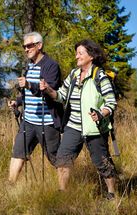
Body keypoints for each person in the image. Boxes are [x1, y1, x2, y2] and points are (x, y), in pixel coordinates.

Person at [40, 39, 117, 200]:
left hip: (94, 128)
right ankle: (63, 195)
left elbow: (111, 102)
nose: (77, 56)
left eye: (80, 53)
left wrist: (101, 113)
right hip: (72, 126)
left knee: (102, 162)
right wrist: (48, 89)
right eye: (77, 53)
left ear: (91, 56)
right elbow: (60, 96)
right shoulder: (74, 74)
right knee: (63, 160)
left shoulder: (100, 76)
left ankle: (111, 193)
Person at [8, 31, 63, 183]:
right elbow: (29, 94)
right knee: (18, 153)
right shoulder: (29, 66)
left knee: (56, 158)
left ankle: (64, 191)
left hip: (47, 122)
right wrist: (18, 102)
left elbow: (49, 91)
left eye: (29, 46)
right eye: (24, 46)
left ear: (39, 45)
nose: (26, 49)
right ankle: (9, 187)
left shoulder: (51, 66)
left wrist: (28, 84)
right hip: (28, 121)